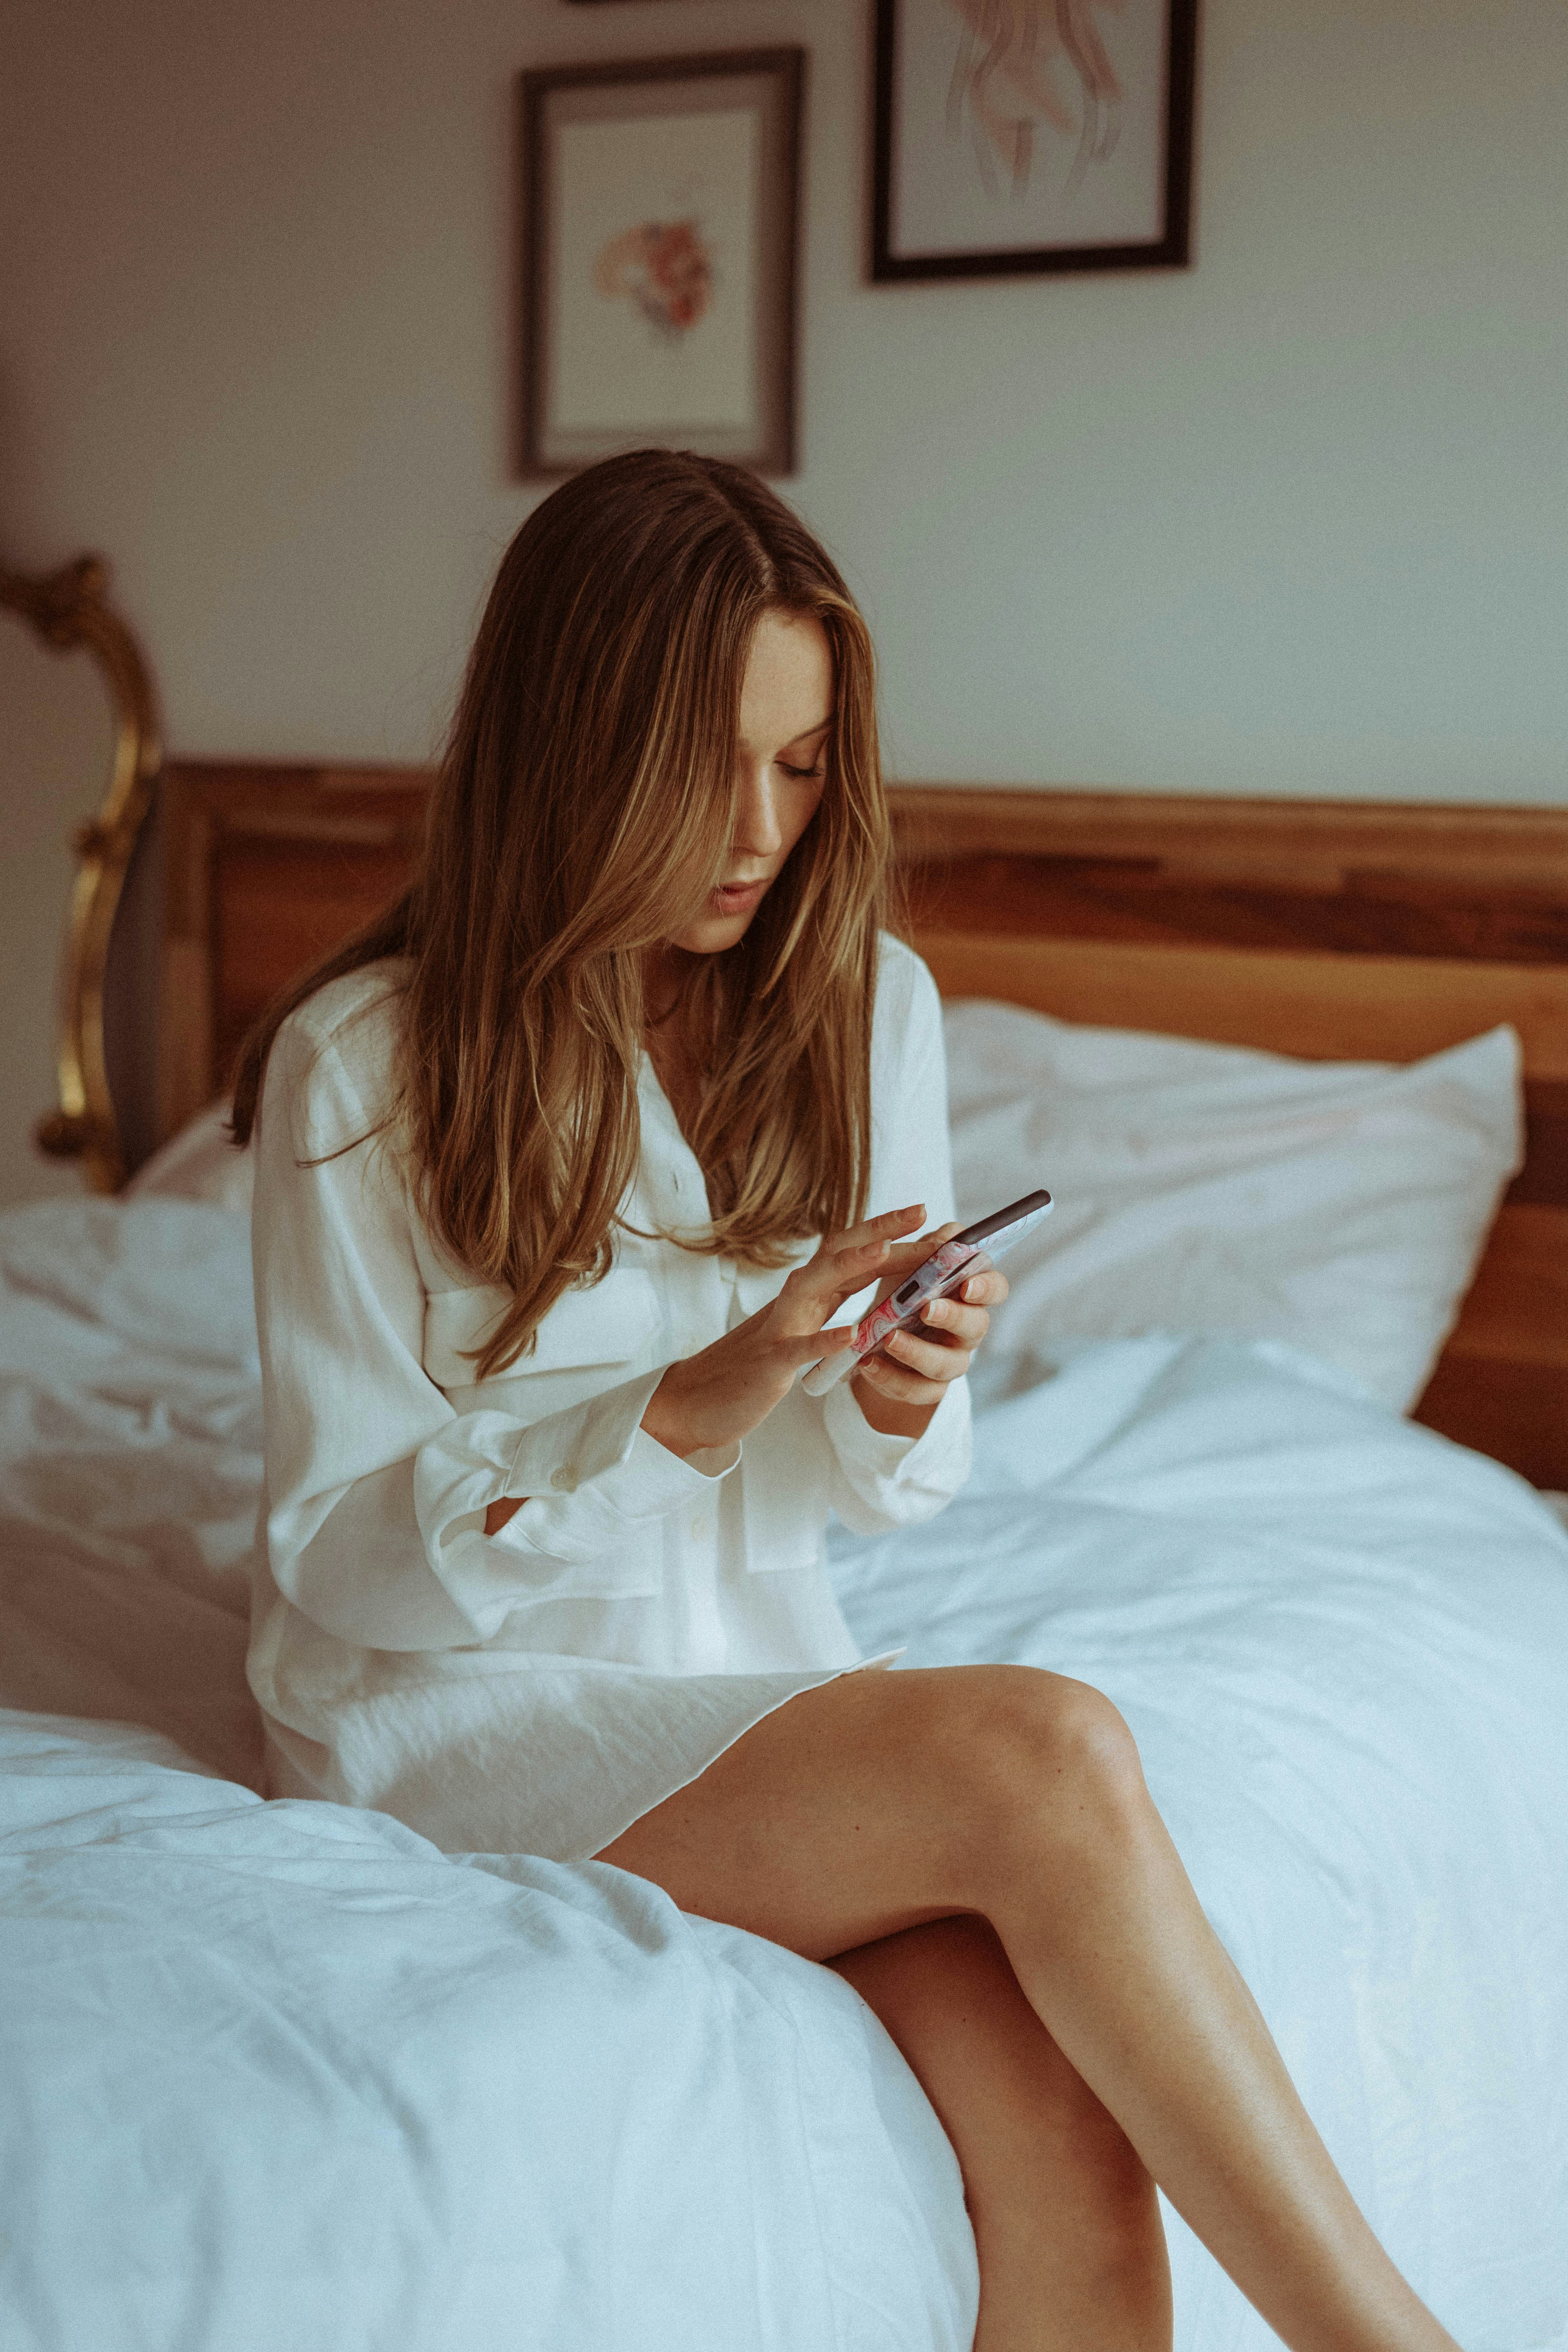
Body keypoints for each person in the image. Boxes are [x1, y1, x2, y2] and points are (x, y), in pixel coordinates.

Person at [233, 450, 1461, 2352]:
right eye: (706, 767)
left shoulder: (861, 1001)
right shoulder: (358, 1066)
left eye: (802, 766)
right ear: (570, 749)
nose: (758, 829)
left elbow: (890, 1502)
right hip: (452, 1724)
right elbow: (336, 1564)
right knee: (1043, 1754)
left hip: (748, 1681)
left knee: (1060, 2114)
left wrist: (896, 1391)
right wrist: (698, 1400)